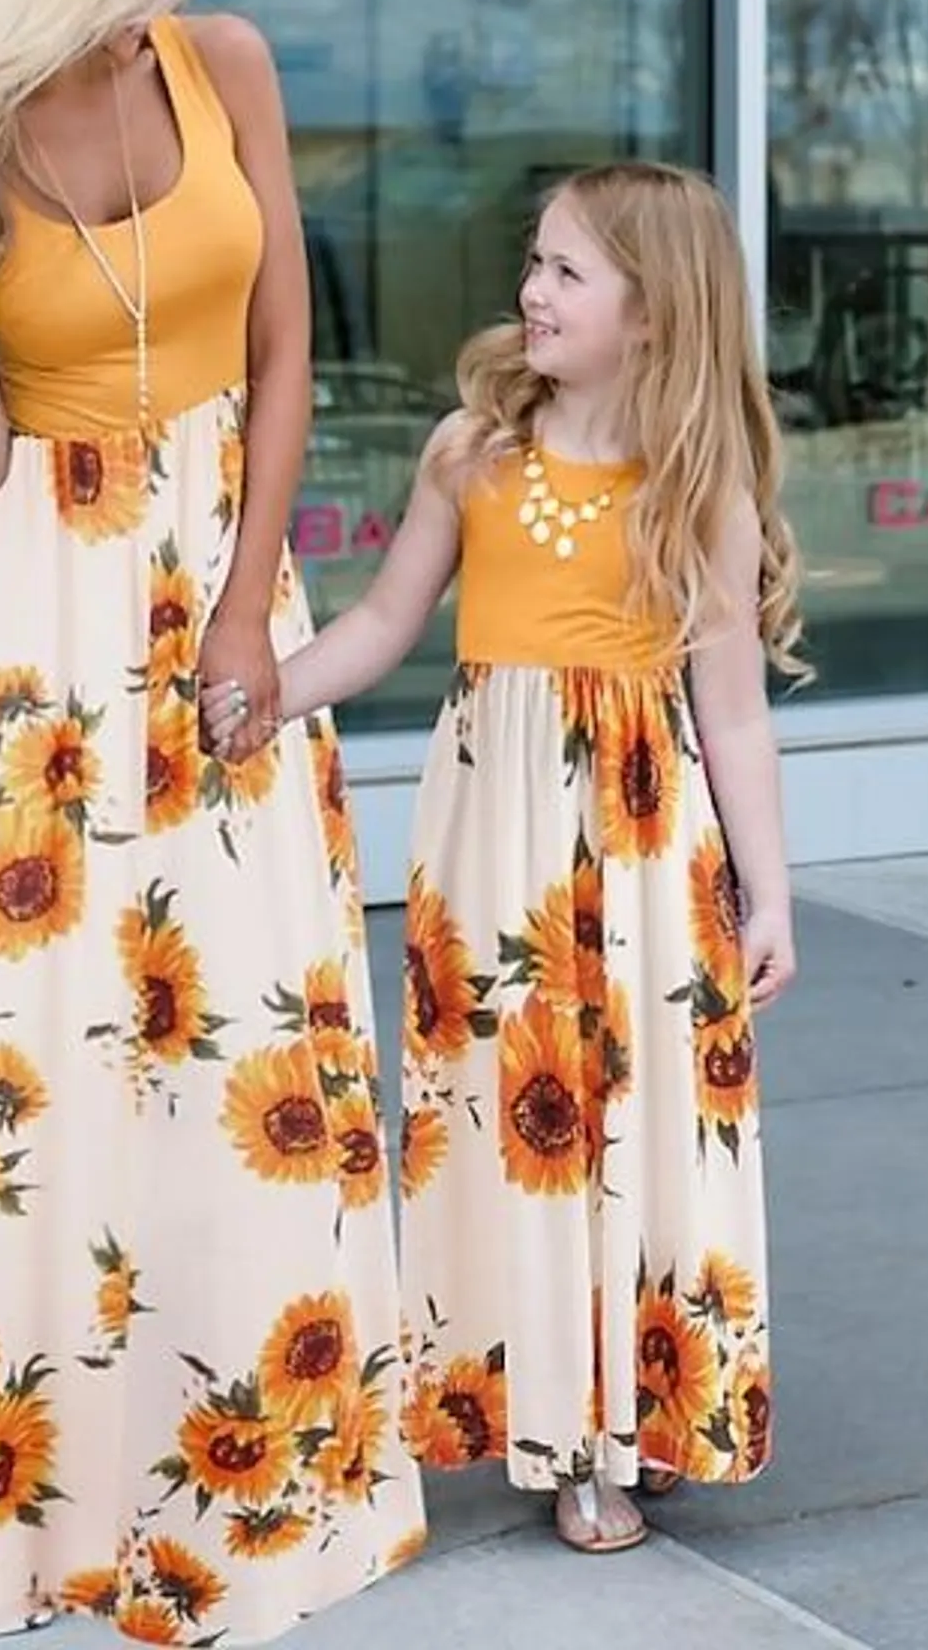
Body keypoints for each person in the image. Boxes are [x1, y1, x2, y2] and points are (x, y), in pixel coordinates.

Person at [0, 0, 425, 1644]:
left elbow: (283, 350)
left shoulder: (219, 61)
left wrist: (250, 604)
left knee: (245, 1021)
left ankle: (244, 1449)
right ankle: (37, 1481)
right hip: (31, 623)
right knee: (28, 1048)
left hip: (217, 582)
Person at [206, 160, 804, 1553]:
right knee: (520, 1125)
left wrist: (766, 895)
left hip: (651, 850)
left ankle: (638, 1407)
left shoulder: (694, 486)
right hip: (499, 841)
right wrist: (269, 692)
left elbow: (734, 712)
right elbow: (382, 622)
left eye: (568, 273)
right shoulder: (471, 453)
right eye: (533, 264)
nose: (532, 293)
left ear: (653, 314)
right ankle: (559, 1434)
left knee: (643, 1125)